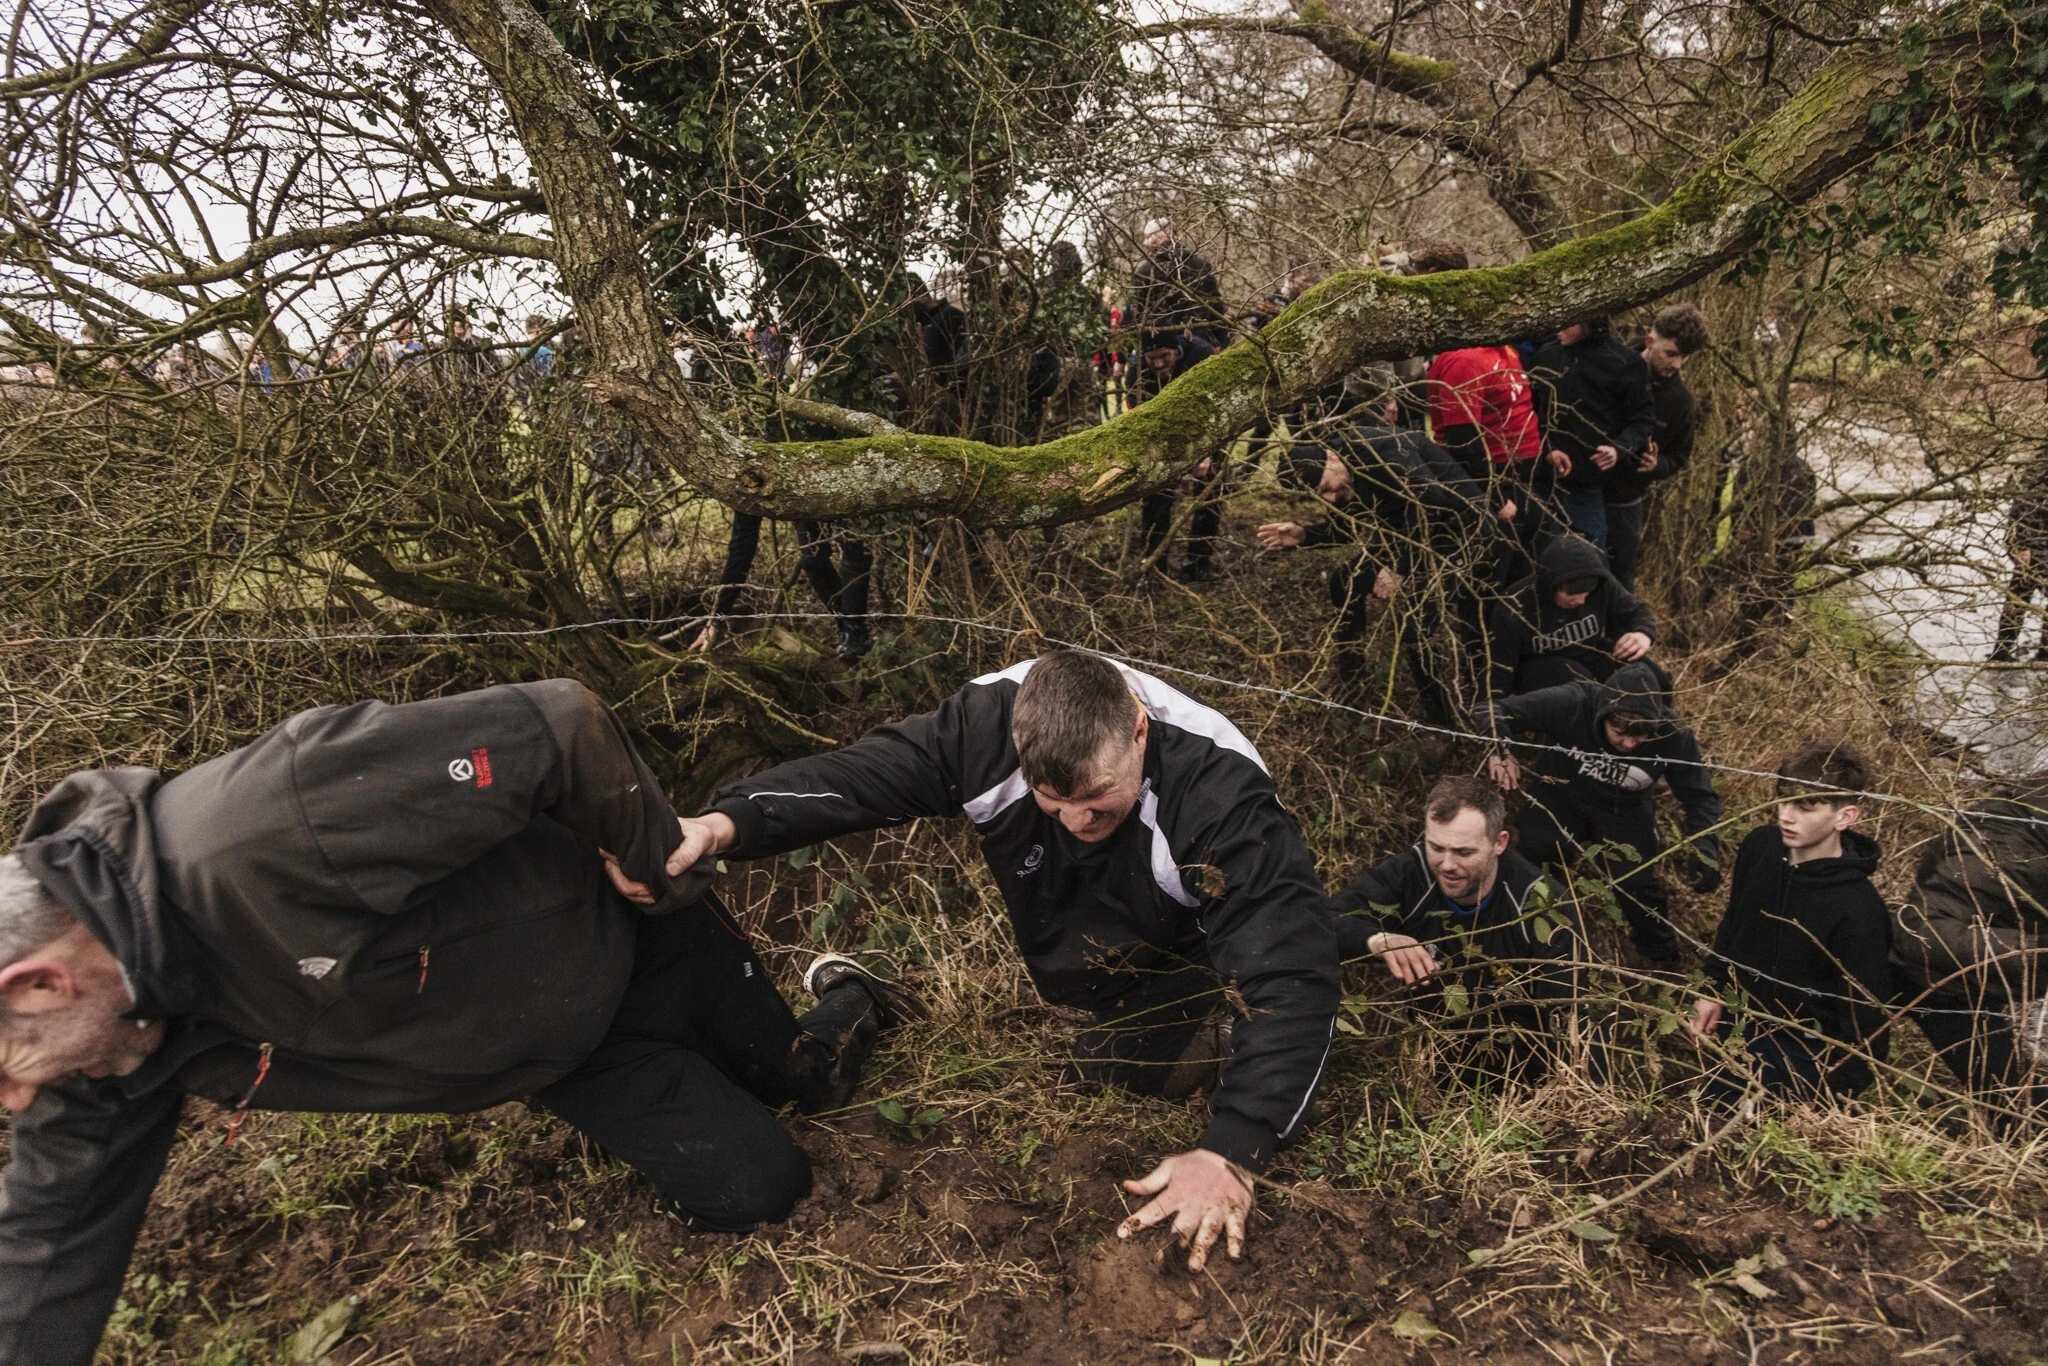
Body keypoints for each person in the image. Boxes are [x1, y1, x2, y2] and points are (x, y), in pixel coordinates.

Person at [0, 681, 903, 1365]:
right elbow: (45, 1248)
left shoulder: (264, 830)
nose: (13, 1097)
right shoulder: (108, 1049)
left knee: (805, 1084)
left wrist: (648, 861)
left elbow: (557, 724)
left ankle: (849, 994)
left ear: (41, 984)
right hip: (560, 1055)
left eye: (3, 1059)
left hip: (631, 943)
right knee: (755, 1188)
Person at [666, 649, 1340, 1272]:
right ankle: (875, 997)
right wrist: (724, 824)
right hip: (1073, 935)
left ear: (1138, 733)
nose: (1076, 819)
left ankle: (1216, 1035)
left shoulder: (1221, 797)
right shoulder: (986, 728)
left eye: (1096, 802)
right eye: (1057, 804)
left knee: (1111, 1067)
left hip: (1179, 943)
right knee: (1087, 1020)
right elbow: (858, 777)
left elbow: (1291, 966)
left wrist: (1234, 1147)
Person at [1329, 776, 1579, 1078]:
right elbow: (1326, 922)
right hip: (1433, 1065)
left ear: (1499, 843)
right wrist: (1378, 940)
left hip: (1523, 1076)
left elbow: (1570, 1014)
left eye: (1464, 853)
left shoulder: (1541, 902)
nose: (1446, 865)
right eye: (1436, 847)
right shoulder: (1411, 873)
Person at [1257, 428, 1514, 719]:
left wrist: (1399, 568)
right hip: (1408, 537)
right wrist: (1305, 535)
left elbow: (1430, 502)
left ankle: (1444, 723)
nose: (1330, 498)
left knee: (1415, 625)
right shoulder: (1343, 476)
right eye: (1321, 494)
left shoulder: (1384, 451)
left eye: (1327, 486)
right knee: (1345, 580)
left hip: (1463, 534)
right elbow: (1348, 527)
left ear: (1331, 458)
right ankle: (1353, 684)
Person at [1479, 660, 1723, 966]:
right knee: (1534, 855)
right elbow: (1492, 710)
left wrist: (1705, 846)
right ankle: (1528, 937)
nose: (1629, 743)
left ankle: (1664, 962)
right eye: (1620, 732)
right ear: (1604, 713)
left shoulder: (1673, 735)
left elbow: (1699, 795)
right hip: (1560, 796)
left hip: (1624, 810)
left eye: (1640, 736)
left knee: (1636, 885)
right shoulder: (1572, 702)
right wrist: (1500, 749)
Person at [1689, 739, 1891, 1098]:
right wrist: (1711, 988)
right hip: (1737, 1022)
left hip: (1803, 1049)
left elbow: (1866, 1020)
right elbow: (1734, 923)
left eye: (1805, 807)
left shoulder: (1859, 909)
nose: (1786, 816)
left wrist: (1833, 1095)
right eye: (1783, 800)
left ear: (1845, 816)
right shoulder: (1760, 847)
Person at [1890, 776, 2048, 1116]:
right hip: (1943, 983)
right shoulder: (2008, 842)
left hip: (1980, 968)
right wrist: (2041, 953)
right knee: (2027, 1118)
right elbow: (1922, 935)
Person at [1128, 219, 1227, 580]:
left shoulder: (1197, 266)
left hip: (1197, 368)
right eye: (1147, 237)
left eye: (1157, 234)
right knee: (1158, 490)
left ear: (1170, 234)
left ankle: (1198, 561)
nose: (1153, 241)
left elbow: (1218, 309)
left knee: (1212, 481)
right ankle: (1152, 565)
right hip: (1159, 384)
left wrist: (1206, 446)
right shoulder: (1142, 273)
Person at [1528, 317, 1657, 551]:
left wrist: (1618, 449)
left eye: (1567, 322)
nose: (1559, 328)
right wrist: (1546, 449)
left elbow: (1642, 419)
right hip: (1541, 482)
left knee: (1589, 564)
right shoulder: (1545, 356)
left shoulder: (1624, 363)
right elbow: (1529, 414)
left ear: (1587, 323)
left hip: (1590, 487)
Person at [1605, 303, 1709, 591]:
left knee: (1621, 582)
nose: (1676, 364)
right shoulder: (1613, 365)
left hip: (1627, 500)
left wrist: (1656, 465)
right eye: (1671, 354)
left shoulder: (1680, 401)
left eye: (1684, 358)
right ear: (1650, 341)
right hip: (1583, 486)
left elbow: (1679, 456)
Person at [1484, 533, 1658, 697]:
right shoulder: (1514, 606)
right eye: (1571, 594)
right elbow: (1499, 670)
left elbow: (1635, 610)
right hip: (1538, 668)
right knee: (1584, 690)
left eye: (1587, 594)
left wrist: (1643, 633)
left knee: (1650, 678)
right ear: (1552, 584)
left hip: (1587, 652)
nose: (1581, 600)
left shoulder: (1601, 582)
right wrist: (1496, 711)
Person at [692, 514, 873, 662]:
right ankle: (849, 631)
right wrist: (716, 619)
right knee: (812, 560)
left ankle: (854, 634)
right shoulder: (743, 484)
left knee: (854, 547)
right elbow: (741, 548)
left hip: (833, 482)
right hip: (800, 502)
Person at [1991, 450, 2048, 662]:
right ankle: (2005, 651)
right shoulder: (2041, 467)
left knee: (2020, 592)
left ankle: (2005, 650)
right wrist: (2021, 544)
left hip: (2035, 538)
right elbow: (2023, 506)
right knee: (2020, 592)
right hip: (2034, 538)